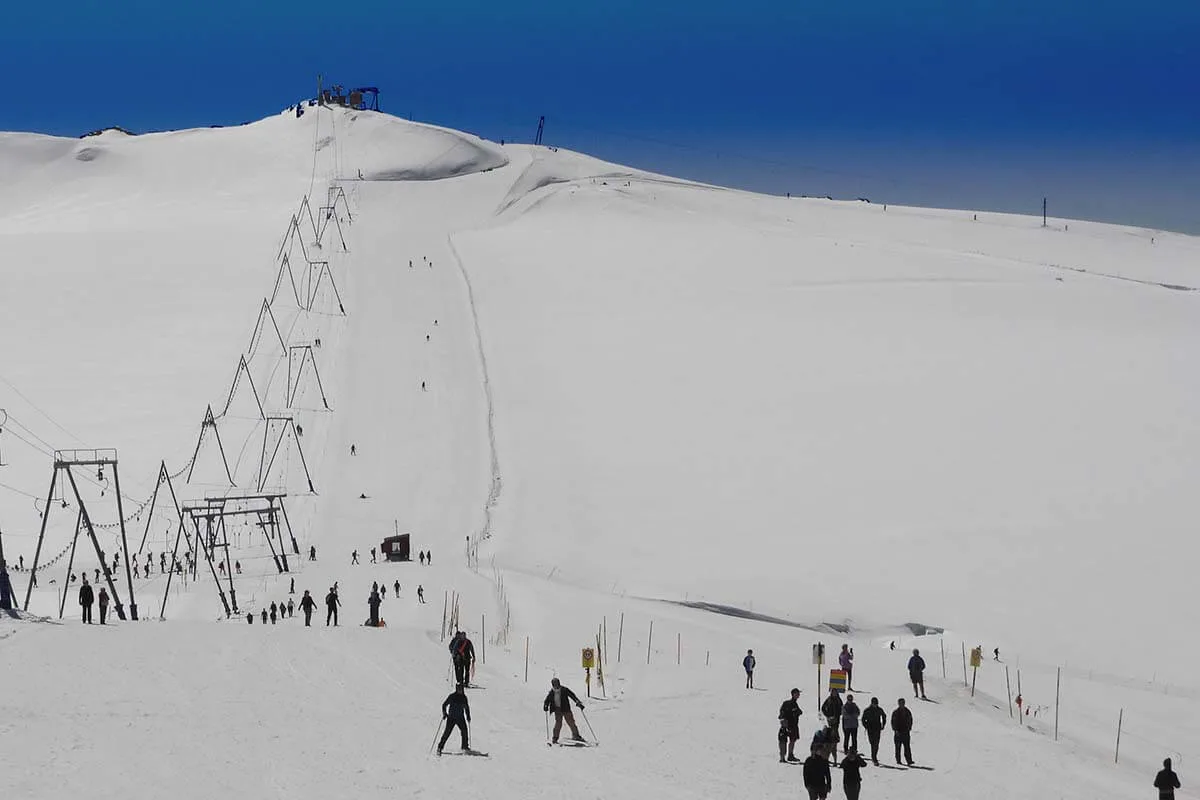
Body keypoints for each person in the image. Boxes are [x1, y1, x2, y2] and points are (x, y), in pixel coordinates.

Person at [543, 678, 585, 743]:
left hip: (566, 709)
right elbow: (547, 700)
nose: (556, 686)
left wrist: (578, 702)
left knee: (571, 722)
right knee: (558, 724)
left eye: (557, 684)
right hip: (557, 710)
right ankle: (555, 737)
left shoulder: (564, 690)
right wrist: (546, 705)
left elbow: (572, 695)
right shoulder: (552, 692)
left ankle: (576, 735)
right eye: (555, 684)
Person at [437, 684, 471, 755]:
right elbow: (444, 705)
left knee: (464, 731)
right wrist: (444, 713)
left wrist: (468, 716)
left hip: (460, 718)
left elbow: (466, 708)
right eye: (458, 689)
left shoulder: (464, 698)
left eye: (461, 689)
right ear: (456, 689)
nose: (460, 690)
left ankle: (464, 746)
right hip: (451, 718)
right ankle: (440, 747)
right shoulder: (452, 696)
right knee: (447, 733)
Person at [778, 688, 803, 762]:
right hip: (787, 724)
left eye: (798, 694)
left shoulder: (795, 703)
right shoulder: (787, 703)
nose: (798, 695)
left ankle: (790, 755)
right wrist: (783, 719)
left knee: (792, 740)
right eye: (797, 694)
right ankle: (782, 757)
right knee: (783, 741)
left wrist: (797, 712)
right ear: (793, 694)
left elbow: (799, 712)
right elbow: (782, 712)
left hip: (794, 725)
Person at [861, 697, 886, 765]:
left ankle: (874, 757)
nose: (875, 705)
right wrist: (866, 726)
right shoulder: (867, 710)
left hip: (877, 728)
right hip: (870, 729)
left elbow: (884, 716)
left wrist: (883, 725)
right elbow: (863, 719)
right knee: (872, 742)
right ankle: (873, 756)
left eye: (876, 703)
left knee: (876, 744)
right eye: (874, 703)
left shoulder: (879, 709)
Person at [891, 698, 914, 766]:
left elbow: (910, 720)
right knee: (898, 747)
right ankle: (898, 760)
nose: (902, 704)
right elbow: (893, 722)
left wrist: (909, 728)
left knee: (907, 747)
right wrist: (895, 730)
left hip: (906, 732)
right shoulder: (895, 712)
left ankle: (909, 760)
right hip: (898, 732)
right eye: (900, 703)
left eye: (903, 703)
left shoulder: (907, 711)